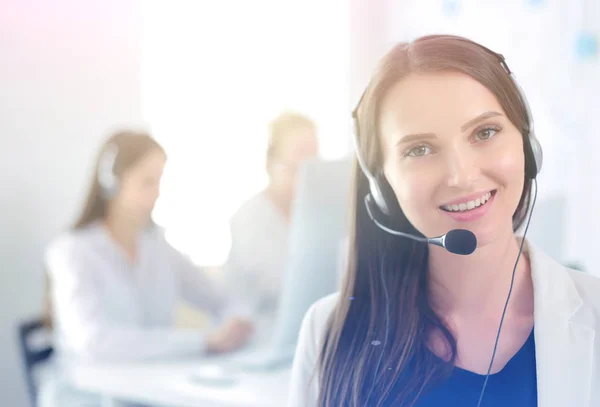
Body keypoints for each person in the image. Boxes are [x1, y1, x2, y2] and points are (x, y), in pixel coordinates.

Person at [288, 35, 600, 407]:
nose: (462, 176)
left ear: (527, 147)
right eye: (419, 150)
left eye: (485, 132)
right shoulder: (328, 331)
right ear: (382, 184)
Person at [39, 131, 253, 407]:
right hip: (87, 398)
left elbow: (219, 297)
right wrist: (203, 342)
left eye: (160, 181)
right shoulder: (71, 252)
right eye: (147, 182)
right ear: (111, 184)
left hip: (149, 392)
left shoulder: (156, 246)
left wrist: (238, 322)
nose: (157, 193)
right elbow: (94, 343)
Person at [223, 112, 319, 315]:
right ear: (272, 162)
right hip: (257, 329)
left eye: (314, 153)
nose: (309, 163)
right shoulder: (250, 217)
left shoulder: (317, 215)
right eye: (300, 152)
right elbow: (280, 284)